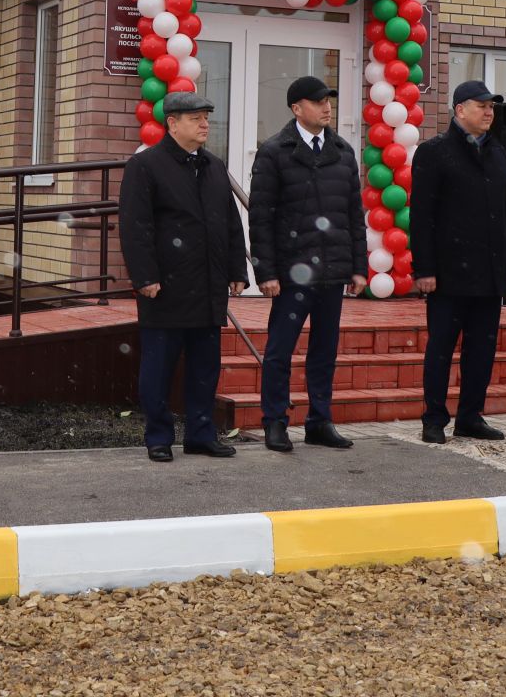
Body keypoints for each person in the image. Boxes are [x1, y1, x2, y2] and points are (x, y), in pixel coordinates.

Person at [118, 90, 249, 461]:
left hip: (208, 286)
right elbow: (134, 226)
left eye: (206, 117)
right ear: (172, 123)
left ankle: (201, 433)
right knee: (158, 368)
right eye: (196, 118)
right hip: (166, 287)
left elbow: (230, 223)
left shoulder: (214, 165)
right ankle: (158, 436)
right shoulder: (146, 166)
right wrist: (145, 276)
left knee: (205, 368)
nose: (205, 123)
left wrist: (238, 270)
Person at [249, 74, 367, 452]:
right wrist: (265, 271)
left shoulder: (343, 151)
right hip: (290, 272)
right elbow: (261, 217)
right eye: (318, 102)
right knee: (280, 351)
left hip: (332, 270)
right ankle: (275, 421)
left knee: (324, 350)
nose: (327, 107)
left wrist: (358, 266)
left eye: (329, 101)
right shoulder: (274, 151)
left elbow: (353, 213)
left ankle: (320, 420)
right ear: (296, 109)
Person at [409, 79, 506, 443]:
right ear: (460, 110)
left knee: (482, 350)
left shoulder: (498, 153)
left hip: (490, 273)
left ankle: (471, 416)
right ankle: (433, 418)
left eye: (492, 107)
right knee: (441, 348)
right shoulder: (434, 152)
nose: (489, 112)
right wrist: (424, 268)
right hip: (448, 275)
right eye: (481, 106)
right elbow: (421, 215)